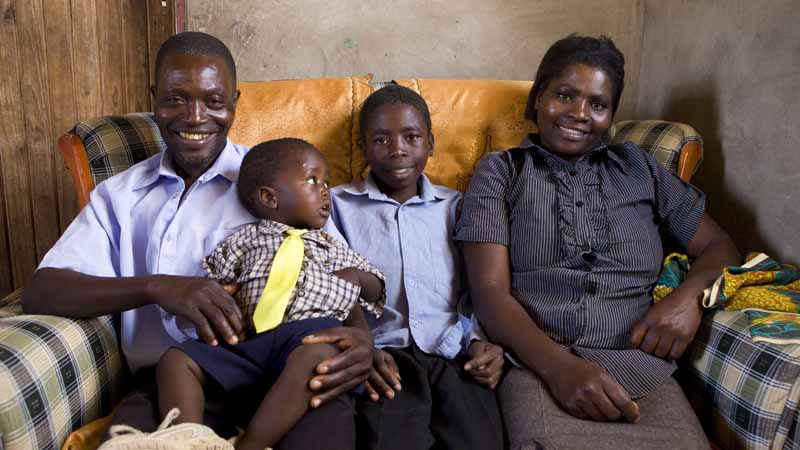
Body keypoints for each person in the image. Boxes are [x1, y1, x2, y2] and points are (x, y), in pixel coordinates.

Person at [21, 32, 375, 449]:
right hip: (177, 383)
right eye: (175, 98)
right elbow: (43, 291)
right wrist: (158, 286)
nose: (194, 117)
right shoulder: (121, 196)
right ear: (154, 97)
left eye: (213, 100)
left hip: (290, 375)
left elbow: (338, 275)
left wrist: (362, 339)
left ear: (234, 103)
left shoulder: (276, 180)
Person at [455, 35, 740, 450]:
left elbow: (721, 246)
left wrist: (688, 300)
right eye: (564, 96)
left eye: (598, 104)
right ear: (537, 99)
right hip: (538, 364)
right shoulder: (501, 171)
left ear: (611, 115)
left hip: (644, 369)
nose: (579, 114)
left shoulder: (640, 168)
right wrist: (561, 369)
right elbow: (490, 292)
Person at [156, 138, 386, 450]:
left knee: (319, 358)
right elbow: (213, 282)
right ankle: (188, 440)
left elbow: (376, 287)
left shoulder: (331, 246)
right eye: (312, 180)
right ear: (269, 197)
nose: (325, 191)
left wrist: (360, 278)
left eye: (327, 182)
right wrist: (220, 302)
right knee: (176, 360)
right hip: (248, 340)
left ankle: (248, 445)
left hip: (309, 337)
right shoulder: (245, 239)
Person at [326, 84, 504, 450]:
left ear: (431, 143)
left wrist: (479, 341)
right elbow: (333, 288)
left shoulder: (455, 206)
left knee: (480, 439)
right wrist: (361, 347)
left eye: (411, 137)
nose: (398, 150)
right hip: (384, 358)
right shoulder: (337, 206)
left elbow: (476, 287)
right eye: (381, 140)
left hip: (453, 352)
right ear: (362, 147)